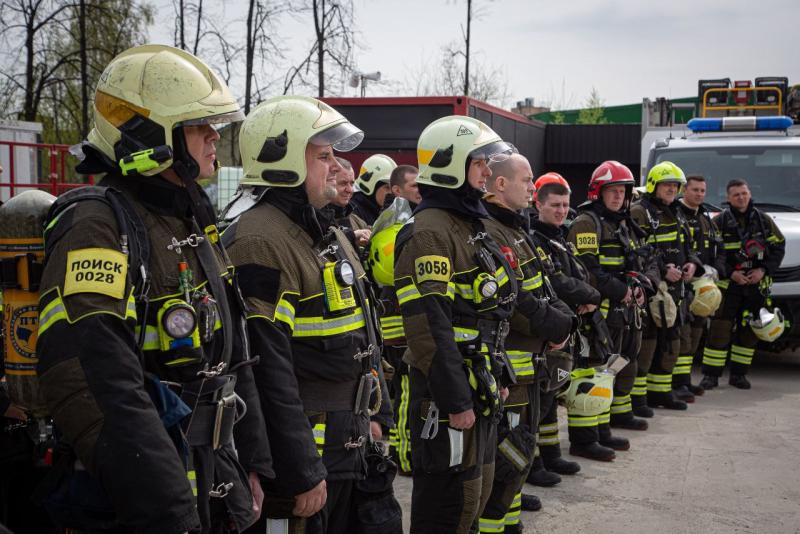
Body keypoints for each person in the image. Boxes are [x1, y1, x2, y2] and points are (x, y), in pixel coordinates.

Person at [36, 44, 271, 533]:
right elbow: (89, 376)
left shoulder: (188, 217)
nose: (214, 137)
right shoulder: (97, 226)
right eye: (199, 125)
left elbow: (233, 352)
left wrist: (253, 461)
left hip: (212, 473)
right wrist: (169, 510)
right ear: (150, 133)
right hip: (147, 495)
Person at [223, 96, 396, 534]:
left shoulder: (324, 229)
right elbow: (267, 368)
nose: (336, 166)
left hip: (349, 442)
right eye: (323, 156)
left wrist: (378, 416)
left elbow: (366, 334)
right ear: (283, 160)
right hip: (312, 455)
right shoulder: (260, 240)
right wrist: (301, 468)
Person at [395, 115, 572, 533]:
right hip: (445, 396)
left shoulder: (468, 227)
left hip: (481, 386)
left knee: (475, 497)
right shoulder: (428, 233)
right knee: (448, 505)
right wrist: (456, 400)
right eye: (479, 164)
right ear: (450, 164)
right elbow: (429, 329)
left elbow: (492, 311)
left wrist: (496, 375)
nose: (487, 173)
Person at [477, 155, 575, 533]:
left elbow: (547, 284)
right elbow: (513, 301)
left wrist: (564, 320)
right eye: (527, 180)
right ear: (500, 185)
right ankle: (495, 525)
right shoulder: (491, 230)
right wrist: (556, 325)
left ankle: (510, 520)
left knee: (520, 450)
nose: (533, 187)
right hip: (511, 365)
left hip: (532, 363)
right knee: (508, 454)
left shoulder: (516, 230)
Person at [530, 173, 619, 464]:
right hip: (552, 327)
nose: (561, 210)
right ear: (538, 204)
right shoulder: (536, 238)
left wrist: (588, 298)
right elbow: (555, 282)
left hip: (574, 325)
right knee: (544, 398)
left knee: (564, 388)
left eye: (565, 205)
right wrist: (591, 296)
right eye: (554, 204)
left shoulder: (558, 236)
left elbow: (575, 275)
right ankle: (544, 459)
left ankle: (559, 452)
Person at [568, 161, 658, 446]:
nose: (618, 196)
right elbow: (588, 271)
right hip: (598, 314)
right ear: (599, 192)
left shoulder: (624, 223)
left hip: (623, 312)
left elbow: (642, 262)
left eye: (622, 191)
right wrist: (623, 292)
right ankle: (584, 439)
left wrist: (644, 287)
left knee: (608, 373)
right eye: (612, 190)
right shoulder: (586, 222)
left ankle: (602, 432)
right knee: (593, 372)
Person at [699, 179, 785, 390]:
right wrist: (731, 273)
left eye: (744, 193)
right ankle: (711, 376)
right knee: (719, 331)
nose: (741, 197)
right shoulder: (719, 222)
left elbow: (779, 246)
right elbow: (710, 253)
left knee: (749, 331)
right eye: (736, 194)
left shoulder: (763, 221)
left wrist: (763, 270)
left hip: (756, 286)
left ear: (749, 194)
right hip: (729, 286)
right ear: (728, 198)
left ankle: (739, 375)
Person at [630, 162, 703, 411]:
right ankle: (638, 399)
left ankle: (661, 392)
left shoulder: (676, 211)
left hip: (676, 290)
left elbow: (688, 246)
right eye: (667, 184)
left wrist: (692, 264)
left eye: (675, 185)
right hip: (654, 289)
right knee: (648, 344)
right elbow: (638, 250)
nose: (672, 189)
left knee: (670, 343)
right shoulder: (640, 212)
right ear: (654, 185)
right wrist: (662, 271)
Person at [673, 175, 718, 400]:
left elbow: (715, 249)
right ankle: (677, 383)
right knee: (683, 335)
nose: (700, 194)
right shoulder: (676, 214)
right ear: (684, 190)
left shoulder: (705, 217)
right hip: (681, 285)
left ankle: (685, 381)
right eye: (695, 190)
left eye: (703, 190)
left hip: (702, 285)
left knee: (697, 334)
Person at [330, 157, 371, 248]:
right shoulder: (314, 221)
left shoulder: (357, 221)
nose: (350, 190)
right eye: (343, 183)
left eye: (352, 183)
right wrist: (351, 236)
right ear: (328, 182)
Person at [350, 154, 396, 225]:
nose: (391, 193)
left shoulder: (379, 209)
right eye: (387, 187)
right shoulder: (351, 211)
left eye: (393, 188)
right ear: (371, 185)